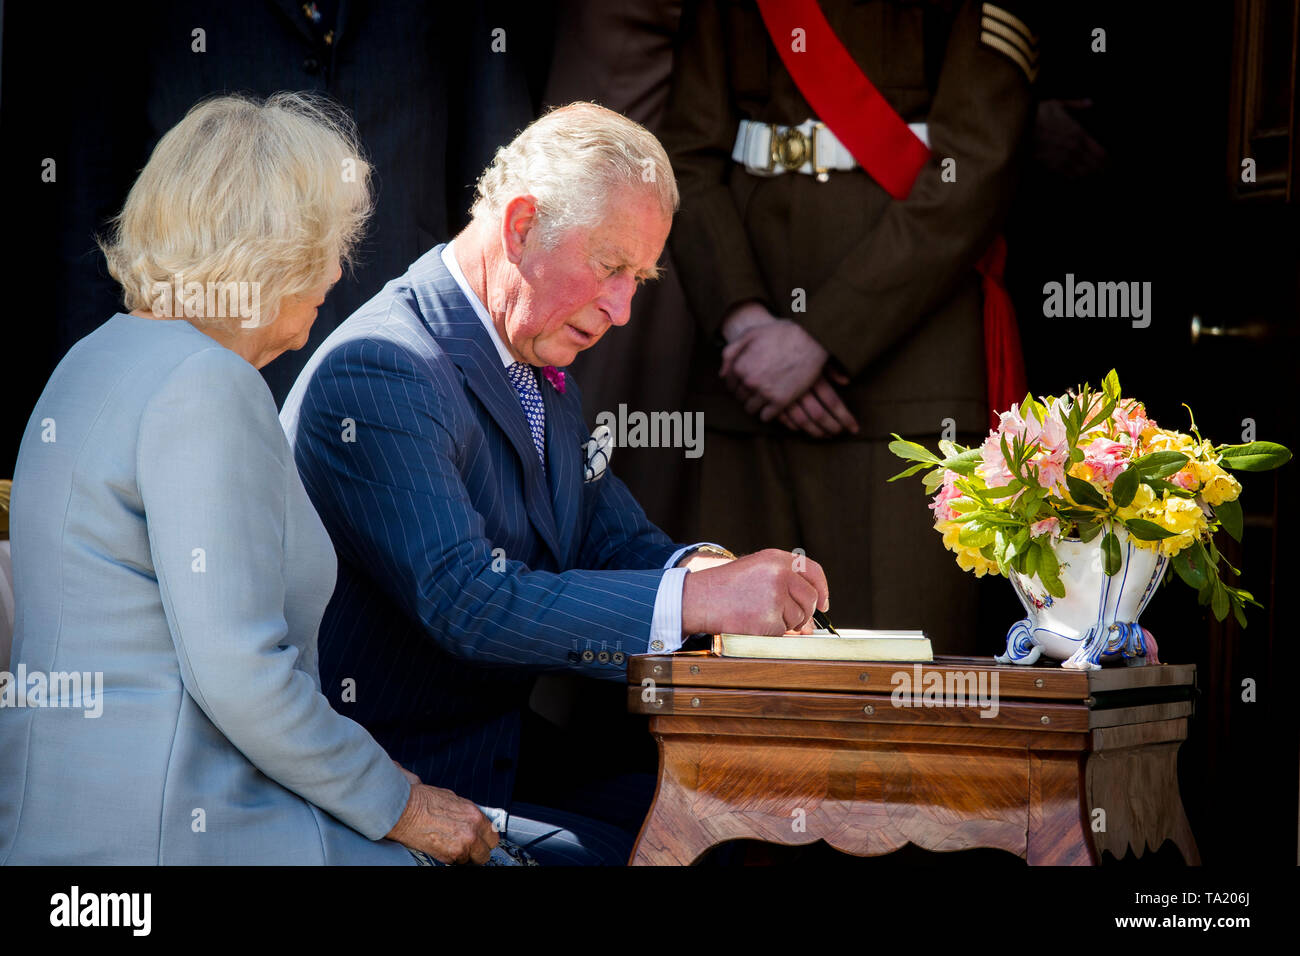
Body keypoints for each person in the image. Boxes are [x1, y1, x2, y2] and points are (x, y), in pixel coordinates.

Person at [280, 102, 831, 865]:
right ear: (520, 226)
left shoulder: (532, 354)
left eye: (638, 278)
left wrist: (714, 574)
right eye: (610, 268)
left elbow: (618, 540)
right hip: (395, 788)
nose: (622, 309)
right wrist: (700, 600)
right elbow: (467, 601)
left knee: (760, 831)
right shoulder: (382, 367)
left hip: (503, 755)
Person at [0, 93, 509, 866]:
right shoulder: (207, 383)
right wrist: (398, 802)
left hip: (67, 826)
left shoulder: (91, 356)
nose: (339, 272)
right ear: (271, 254)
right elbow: (239, 671)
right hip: (181, 833)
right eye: (326, 247)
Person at [659, 0, 1037, 653]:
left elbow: (976, 164)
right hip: (743, 377)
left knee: (900, 695)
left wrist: (821, 335)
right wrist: (744, 322)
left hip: (906, 378)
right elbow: (684, 158)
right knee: (735, 697)